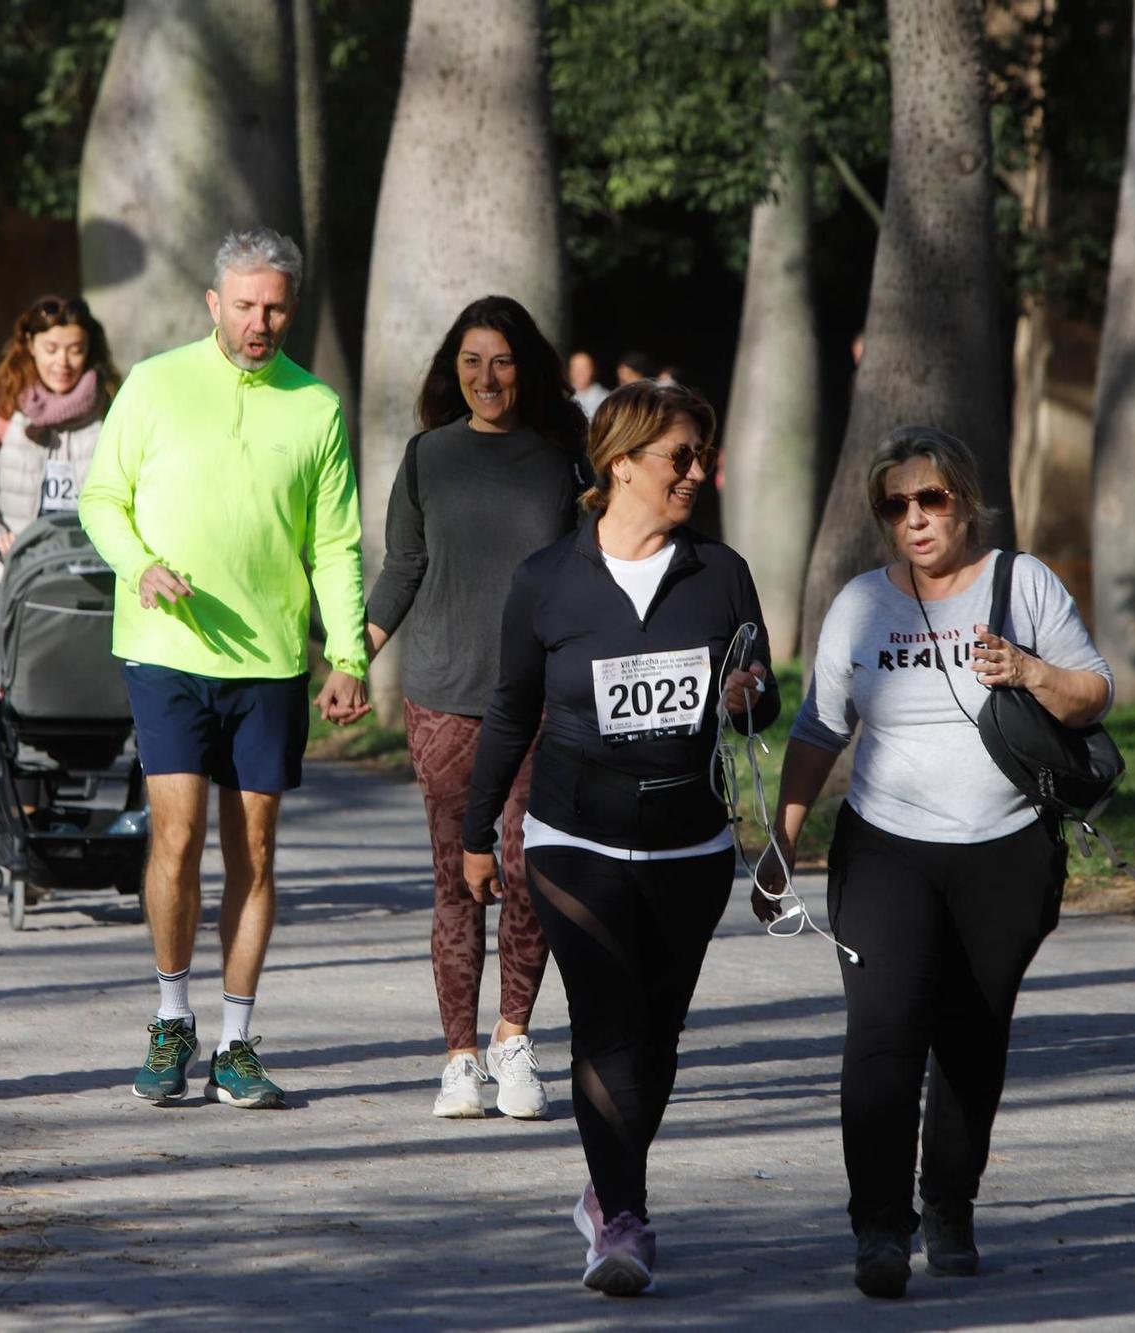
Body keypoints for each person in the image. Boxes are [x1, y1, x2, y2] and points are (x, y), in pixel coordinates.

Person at [757, 425, 1113, 1300]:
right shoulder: (860, 605)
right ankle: (880, 1224)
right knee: (882, 1031)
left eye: (931, 498)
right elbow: (816, 730)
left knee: (971, 1035)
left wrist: (1029, 669)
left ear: (964, 497)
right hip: (885, 847)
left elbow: (1094, 691)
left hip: (1006, 852)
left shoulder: (1020, 583)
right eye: (895, 504)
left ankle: (949, 1199)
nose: (914, 518)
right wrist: (783, 838)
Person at [462, 380, 777, 1297]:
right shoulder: (546, 579)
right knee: (604, 1025)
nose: (695, 471)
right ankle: (624, 1220)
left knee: (657, 1035)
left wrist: (750, 695)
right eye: (678, 455)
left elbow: (762, 697)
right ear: (620, 463)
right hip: (573, 840)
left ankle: (607, 1193)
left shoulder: (720, 573)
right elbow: (511, 708)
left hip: (689, 845)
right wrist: (478, 831)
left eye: (700, 455)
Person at [79, 227, 369, 1113]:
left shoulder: (315, 407)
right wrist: (141, 566)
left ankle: (237, 1041)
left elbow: (336, 544)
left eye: (275, 305)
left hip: (271, 662)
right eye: (244, 304)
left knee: (256, 847)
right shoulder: (157, 384)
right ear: (214, 303)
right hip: (166, 648)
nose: (260, 320)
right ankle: (171, 1018)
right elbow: (103, 497)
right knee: (176, 835)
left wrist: (349, 650)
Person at [364, 295, 583, 1121]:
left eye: (501, 360)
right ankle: (459, 1056)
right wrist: (355, 658)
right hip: (446, 698)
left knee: (529, 870)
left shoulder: (566, 458)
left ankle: (513, 1036)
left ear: (525, 367)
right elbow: (402, 567)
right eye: (471, 361)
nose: (486, 377)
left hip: (543, 699)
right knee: (460, 876)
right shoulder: (428, 457)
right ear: (451, 369)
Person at [0, 295, 119, 569]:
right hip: (13, 572)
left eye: (75, 350)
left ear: (90, 349)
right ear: (30, 345)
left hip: (94, 574)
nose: (62, 362)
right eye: (51, 349)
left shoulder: (112, 404)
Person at [568, 349, 610, 420]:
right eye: (576, 368)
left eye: (584, 368)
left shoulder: (606, 399)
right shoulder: (562, 395)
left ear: (593, 370)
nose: (580, 372)